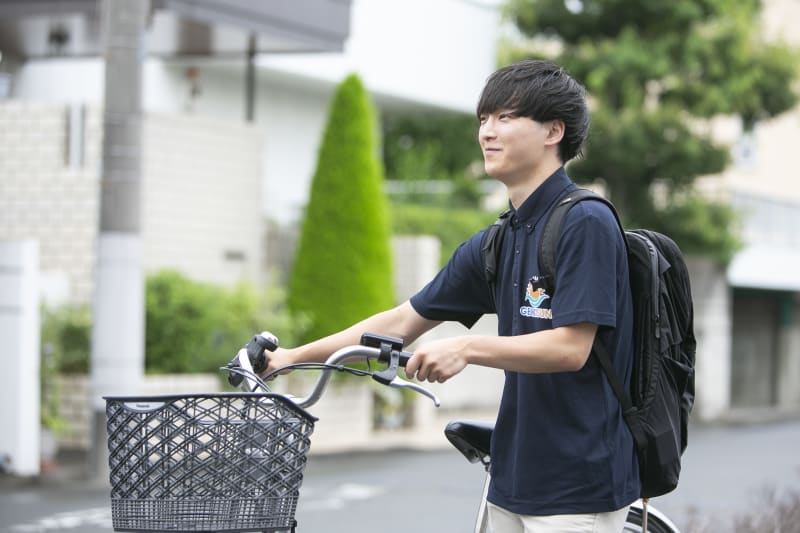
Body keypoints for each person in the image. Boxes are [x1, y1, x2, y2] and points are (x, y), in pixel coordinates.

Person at [265, 59, 639, 532]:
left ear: (553, 131)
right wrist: (291, 358)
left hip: (578, 488)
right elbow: (401, 322)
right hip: (513, 477)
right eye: (483, 119)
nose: (487, 132)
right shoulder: (499, 241)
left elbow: (570, 348)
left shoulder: (585, 222)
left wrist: (466, 347)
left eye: (506, 117)